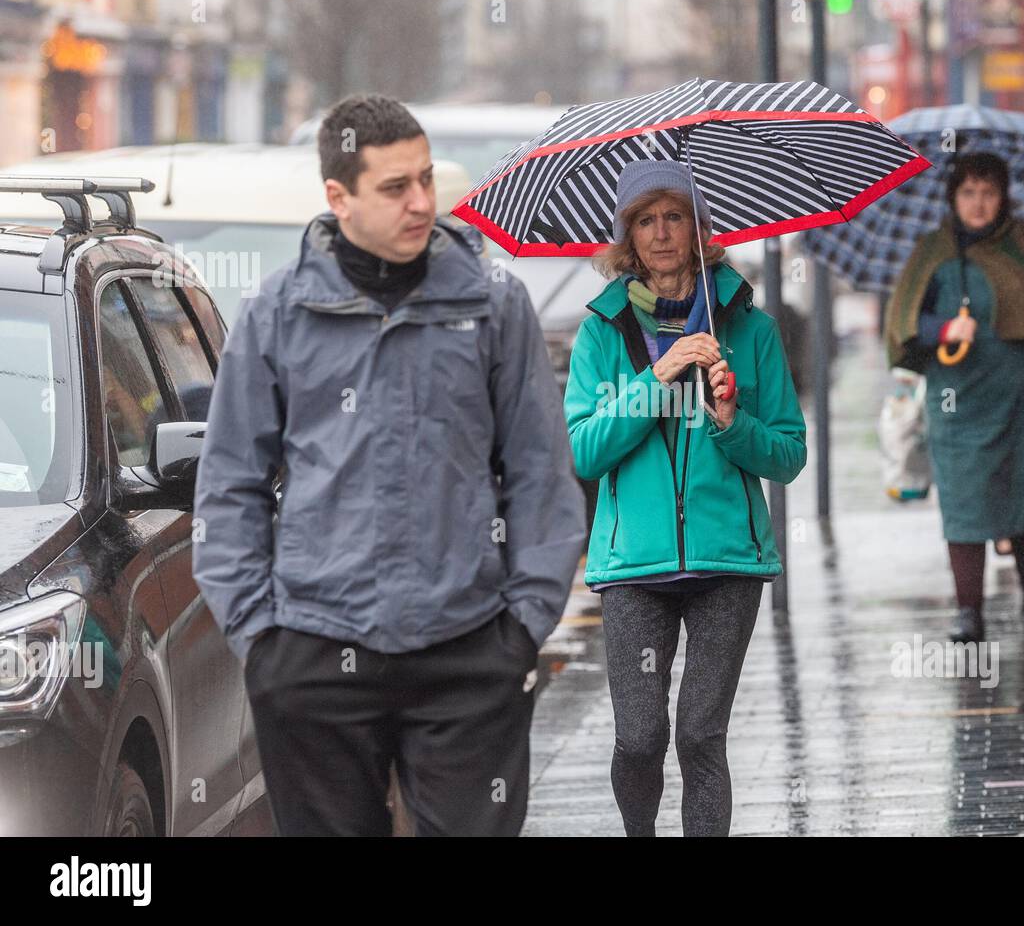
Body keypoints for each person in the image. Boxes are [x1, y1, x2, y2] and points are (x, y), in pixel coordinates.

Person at [192, 94, 586, 836]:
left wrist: (522, 628)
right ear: (339, 197)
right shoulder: (277, 311)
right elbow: (230, 485)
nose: (422, 203)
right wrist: (261, 641)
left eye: (428, 181)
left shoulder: (492, 304)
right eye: (396, 187)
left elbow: (540, 472)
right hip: (314, 653)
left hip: (467, 651)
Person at [564, 159, 807, 835]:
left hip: (727, 563)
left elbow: (788, 454)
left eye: (675, 216)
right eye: (646, 220)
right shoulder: (602, 334)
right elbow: (584, 449)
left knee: (702, 735)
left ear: (699, 229)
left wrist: (732, 423)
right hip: (633, 568)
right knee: (640, 737)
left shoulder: (749, 330)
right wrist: (659, 376)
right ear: (627, 238)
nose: (662, 233)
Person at [884, 151, 1024, 642]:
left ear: (1003, 197)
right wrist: (942, 327)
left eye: (989, 193)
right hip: (960, 402)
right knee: (964, 499)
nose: (978, 204)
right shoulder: (932, 252)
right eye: (968, 193)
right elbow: (903, 326)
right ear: (953, 197)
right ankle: (968, 612)